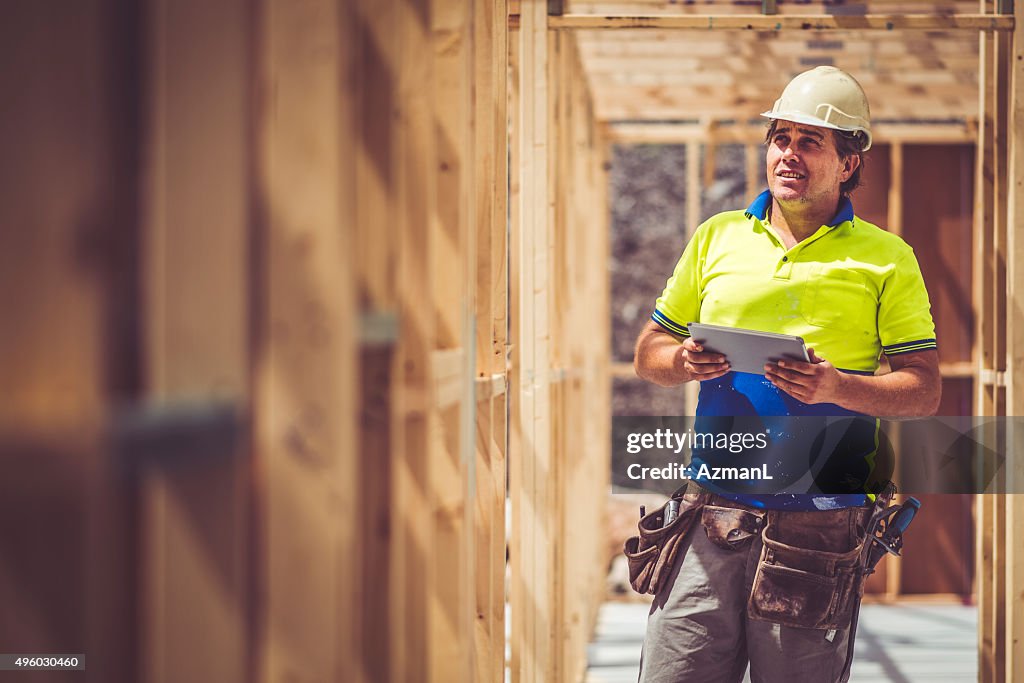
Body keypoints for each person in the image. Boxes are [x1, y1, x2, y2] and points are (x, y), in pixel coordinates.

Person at [632, 66, 941, 682]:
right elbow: (649, 352)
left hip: (818, 527)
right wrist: (682, 361)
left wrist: (838, 387)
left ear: (848, 162)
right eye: (781, 138)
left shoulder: (886, 258)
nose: (788, 155)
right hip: (709, 513)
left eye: (810, 142)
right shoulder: (716, 237)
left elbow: (924, 390)